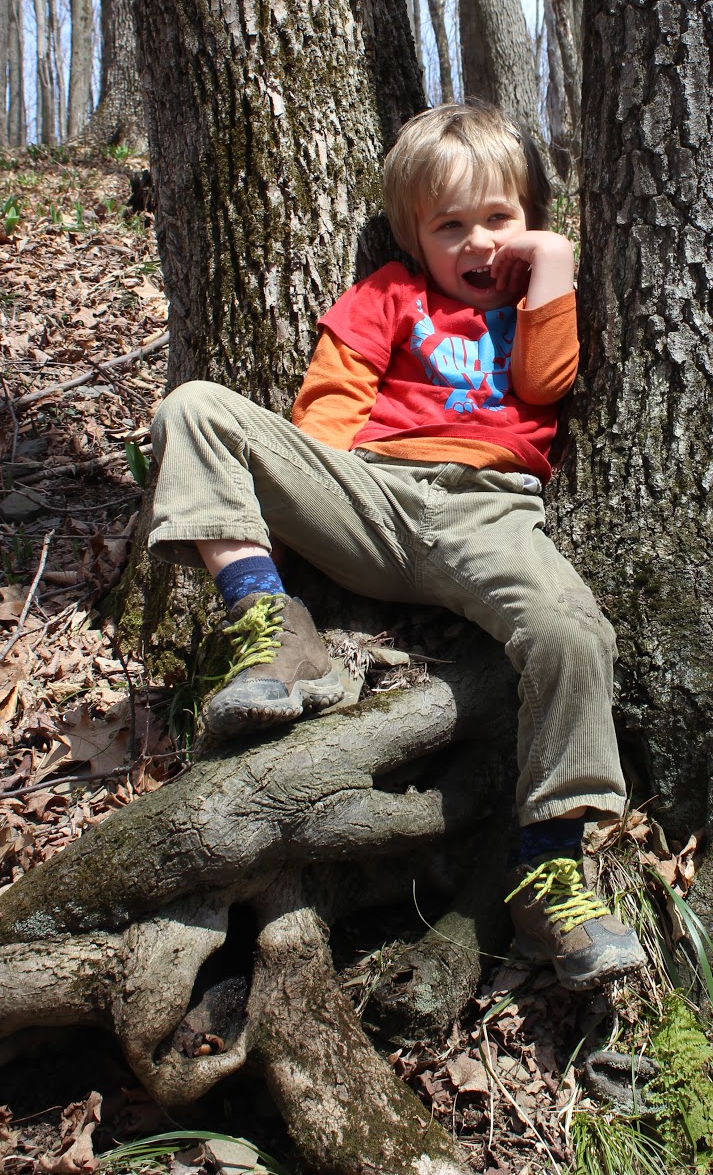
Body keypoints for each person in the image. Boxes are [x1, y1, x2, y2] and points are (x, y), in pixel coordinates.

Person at [149, 103, 644, 989]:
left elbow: (544, 384)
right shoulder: (388, 294)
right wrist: (313, 497)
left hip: (488, 513)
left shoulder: (539, 300)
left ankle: (549, 873)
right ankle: (268, 622)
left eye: (499, 218)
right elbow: (327, 410)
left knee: (572, 635)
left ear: (530, 218)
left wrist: (551, 263)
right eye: (449, 226)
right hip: (371, 496)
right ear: (414, 236)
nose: (477, 241)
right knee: (194, 407)